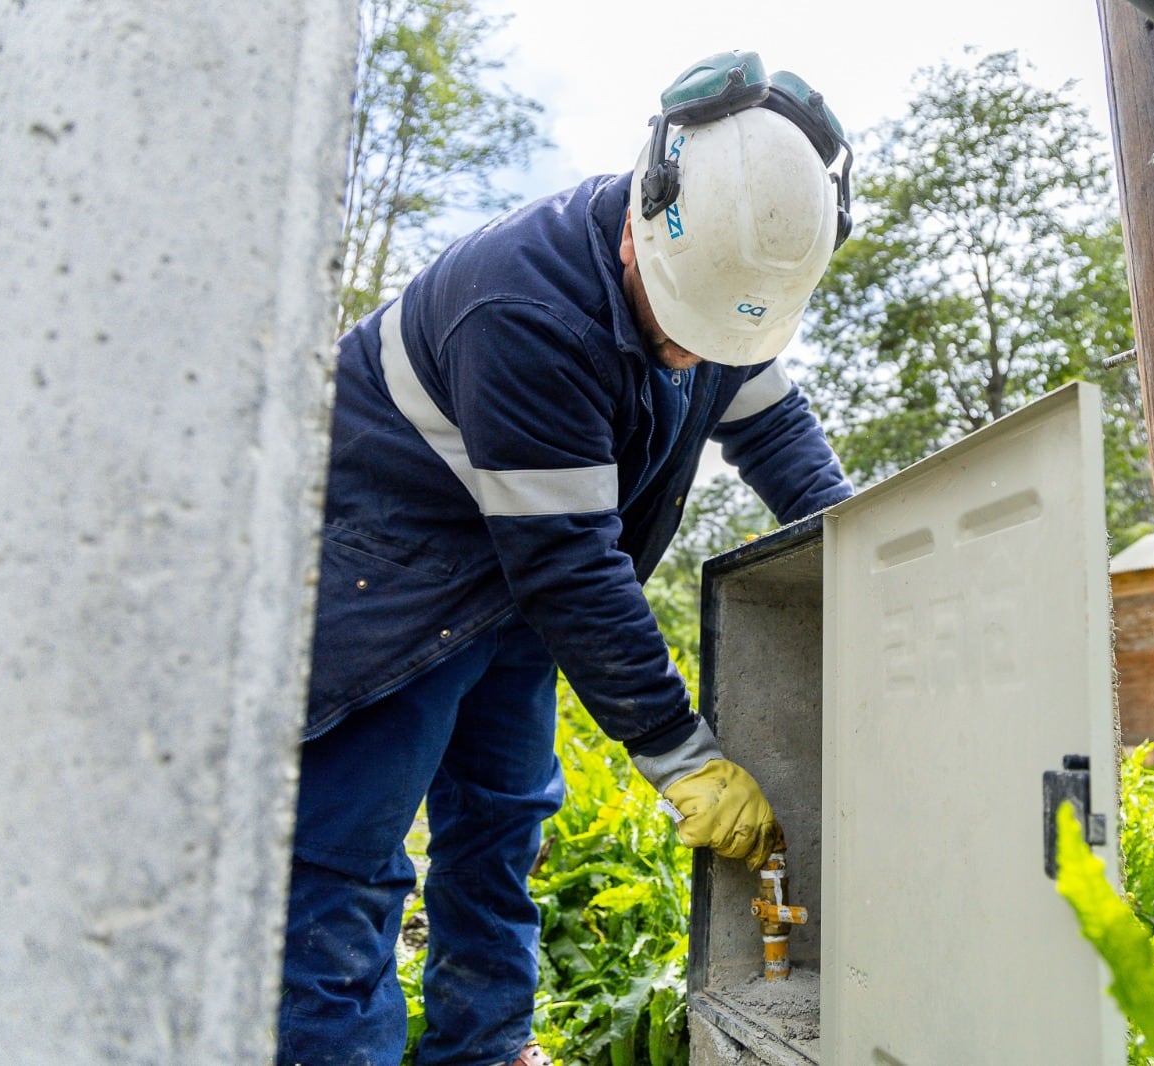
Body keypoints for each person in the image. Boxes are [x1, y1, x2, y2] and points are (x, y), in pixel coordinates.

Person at [274, 50, 855, 1066]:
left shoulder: (724, 283)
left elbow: (780, 440)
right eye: (680, 329)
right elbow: (574, 567)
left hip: (515, 586)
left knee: (501, 830)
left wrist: (865, 558)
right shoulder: (524, 309)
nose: (689, 357)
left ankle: (484, 1048)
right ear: (646, 214)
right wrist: (683, 758)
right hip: (395, 578)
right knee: (346, 866)